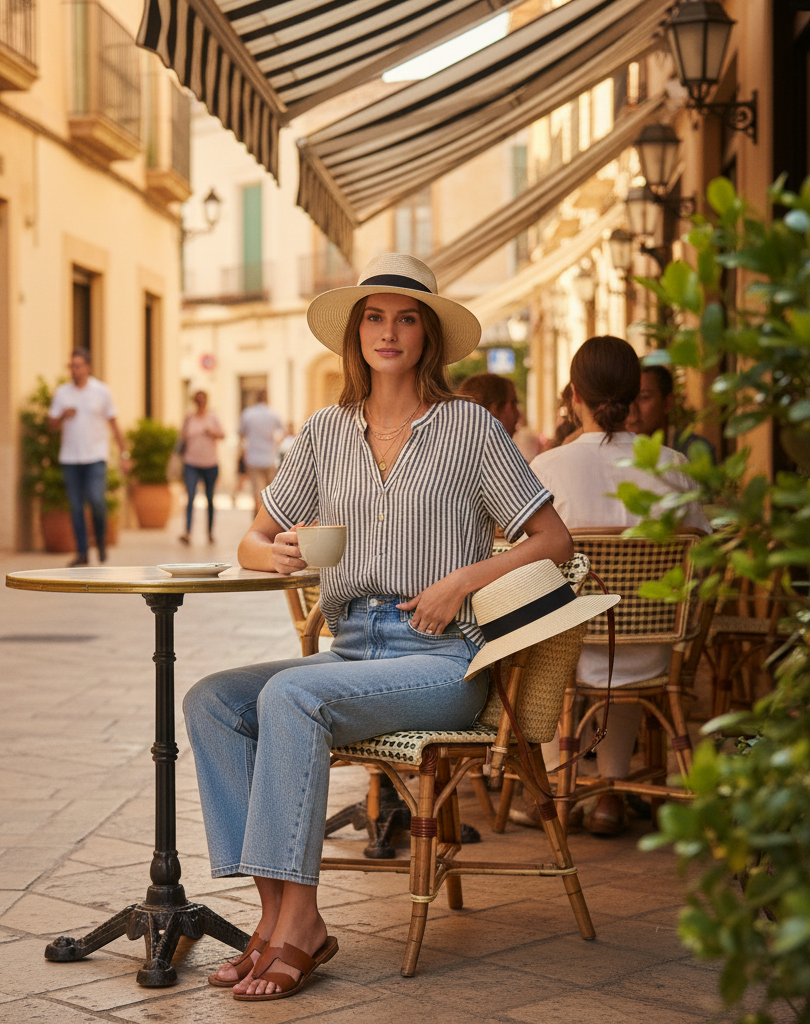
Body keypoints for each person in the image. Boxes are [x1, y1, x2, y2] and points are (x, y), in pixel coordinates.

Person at [184, 253, 573, 1001]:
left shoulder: (470, 429)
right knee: (211, 701)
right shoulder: (325, 432)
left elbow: (553, 540)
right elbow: (250, 540)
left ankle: (300, 927)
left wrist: (462, 581)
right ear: (355, 332)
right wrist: (277, 552)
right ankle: (276, 919)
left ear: (427, 336)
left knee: (290, 698)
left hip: (441, 661)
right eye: (374, 317)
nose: (388, 332)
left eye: (405, 318)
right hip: (351, 649)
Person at [529, 336, 709, 835]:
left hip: (571, 651)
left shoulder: (547, 469)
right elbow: (707, 557)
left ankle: (553, 786)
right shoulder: (674, 467)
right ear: (634, 397)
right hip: (657, 649)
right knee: (621, 630)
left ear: (574, 396)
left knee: (538, 637)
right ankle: (611, 792)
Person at [47, 349, 130, 567]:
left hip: (95, 457)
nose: (74, 370)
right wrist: (62, 416)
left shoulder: (102, 391)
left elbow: (114, 423)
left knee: (96, 501)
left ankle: (100, 541)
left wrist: (124, 455)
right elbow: (51, 426)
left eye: (78, 366)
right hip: (70, 459)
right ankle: (82, 553)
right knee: (76, 507)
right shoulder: (62, 393)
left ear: (88, 367)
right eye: (72, 366)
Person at [627, 363, 716, 464]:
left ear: (667, 403)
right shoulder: (618, 450)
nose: (632, 408)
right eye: (627, 399)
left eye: (644, 397)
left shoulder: (692, 449)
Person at [179, 390, 225, 546]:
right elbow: (182, 437)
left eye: (202, 400)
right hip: (191, 463)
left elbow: (223, 434)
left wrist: (212, 432)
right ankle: (187, 532)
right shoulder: (189, 418)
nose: (200, 403)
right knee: (190, 496)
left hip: (210, 463)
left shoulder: (212, 418)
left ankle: (210, 532)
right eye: (197, 400)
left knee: (210, 498)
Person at [238, 389, 283, 516]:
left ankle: (257, 518)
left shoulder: (248, 414)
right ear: (267, 399)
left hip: (253, 458)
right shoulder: (273, 415)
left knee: (256, 492)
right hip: (270, 457)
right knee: (270, 493)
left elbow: (241, 434)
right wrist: (276, 443)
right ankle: (267, 517)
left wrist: (243, 452)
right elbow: (283, 432)